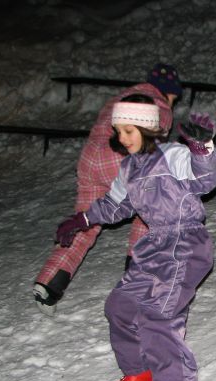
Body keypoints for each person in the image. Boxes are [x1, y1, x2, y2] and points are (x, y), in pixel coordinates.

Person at [54, 95, 216, 381]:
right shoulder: (129, 168)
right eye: (118, 130)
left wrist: (203, 147)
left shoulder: (173, 156)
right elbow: (116, 206)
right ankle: (141, 373)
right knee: (121, 306)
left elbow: (206, 178)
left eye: (128, 129)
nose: (122, 137)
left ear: (148, 128)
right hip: (154, 245)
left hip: (184, 243)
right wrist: (83, 218)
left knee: (158, 317)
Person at [33, 63, 184, 316]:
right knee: (146, 212)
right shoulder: (156, 105)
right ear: (170, 92)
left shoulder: (119, 99)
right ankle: (138, 278)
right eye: (173, 97)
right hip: (121, 159)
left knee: (85, 222)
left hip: (89, 161)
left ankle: (48, 283)